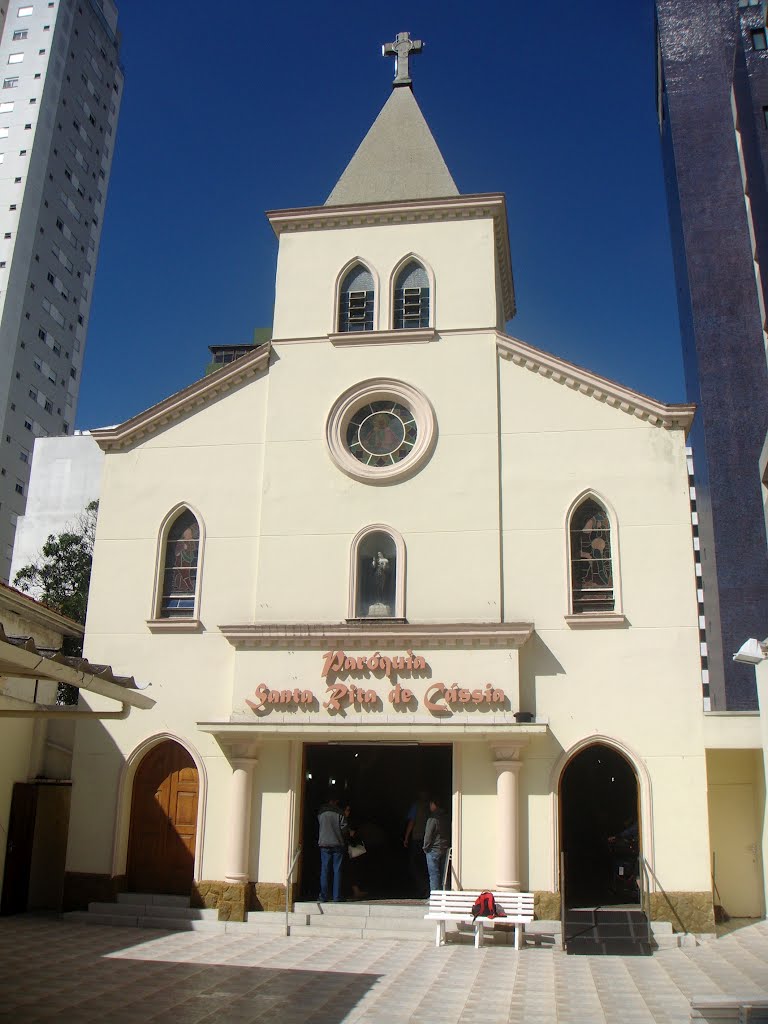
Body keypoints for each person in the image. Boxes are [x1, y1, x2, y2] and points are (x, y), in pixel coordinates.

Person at [317, 793, 349, 903]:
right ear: (336, 801)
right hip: (337, 843)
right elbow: (344, 828)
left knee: (324, 870)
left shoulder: (321, 811)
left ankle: (323, 896)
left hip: (324, 843)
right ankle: (336, 896)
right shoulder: (339, 812)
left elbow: (319, 823)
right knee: (337, 870)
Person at [403, 790, 430, 897]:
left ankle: (423, 888)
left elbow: (412, 822)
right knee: (426, 865)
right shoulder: (430, 806)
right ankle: (427, 888)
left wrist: (406, 837)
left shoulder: (416, 806)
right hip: (428, 839)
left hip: (417, 838)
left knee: (414, 865)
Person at [422, 797, 450, 894]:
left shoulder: (432, 818)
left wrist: (425, 847)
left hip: (433, 849)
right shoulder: (446, 817)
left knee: (434, 874)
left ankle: (435, 896)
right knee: (444, 874)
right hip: (445, 848)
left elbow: (428, 834)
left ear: (434, 805)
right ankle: (444, 894)